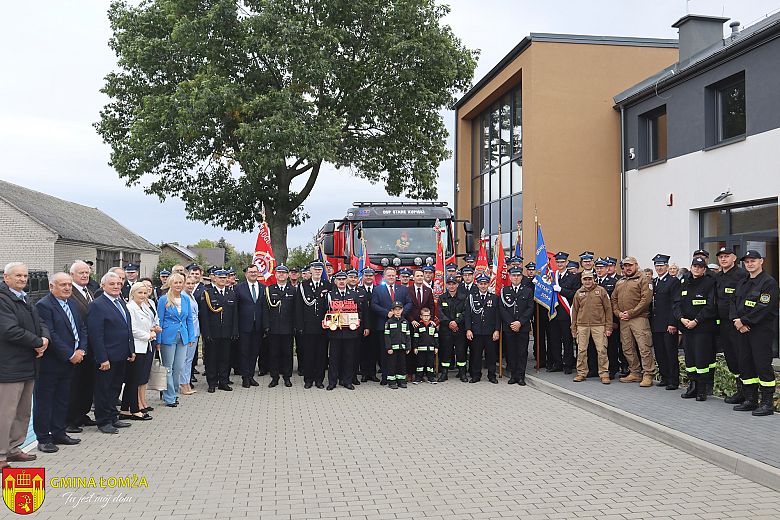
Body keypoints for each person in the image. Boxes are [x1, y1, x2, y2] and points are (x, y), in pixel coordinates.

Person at [0, 263, 50, 467]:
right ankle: (1, 454)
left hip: (28, 365)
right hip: (9, 366)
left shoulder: (24, 297)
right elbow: (9, 330)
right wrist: (38, 342)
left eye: (25, 276)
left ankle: (13, 448)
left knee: (22, 411)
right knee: (5, 412)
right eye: (18, 275)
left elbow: (40, 323)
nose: (22, 279)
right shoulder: (3, 300)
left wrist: (45, 339)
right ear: (6, 277)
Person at [34, 273, 86, 454]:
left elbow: (81, 328)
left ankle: (59, 432)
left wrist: (81, 350)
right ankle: (43, 438)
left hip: (70, 362)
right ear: (51, 286)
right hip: (52, 363)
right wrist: (70, 354)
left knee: (63, 399)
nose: (67, 288)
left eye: (69, 285)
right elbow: (51, 334)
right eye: (62, 284)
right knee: (45, 401)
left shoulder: (72, 303)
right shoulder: (44, 305)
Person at [730, 250, 778, 416]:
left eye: (753, 261)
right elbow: (733, 302)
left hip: (760, 331)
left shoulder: (768, 282)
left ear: (761, 261)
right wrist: (737, 320)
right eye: (747, 261)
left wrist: (744, 321)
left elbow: (764, 307)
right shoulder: (743, 281)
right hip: (742, 330)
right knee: (746, 364)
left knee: (762, 365)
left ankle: (767, 404)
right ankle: (750, 400)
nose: (750, 264)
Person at [89, 271, 135, 434]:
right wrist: (102, 358)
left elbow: (126, 327)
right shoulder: (97, 305)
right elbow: (96, 334)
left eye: (118, 284)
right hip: (107, 357)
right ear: (103, 286)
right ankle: (103, 421)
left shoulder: (120, 302)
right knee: (103, 389)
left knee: (115, 389)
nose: (116, 286)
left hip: (121, 354)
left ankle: (113, 417)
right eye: (112, 284)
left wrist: (131, 350)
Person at [674, 257, 717, 401]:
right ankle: (692, 386)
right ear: (691, 267)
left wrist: (696, 320)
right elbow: (677, 303)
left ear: (704, 269)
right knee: (690, 358)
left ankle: (702, 389)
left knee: (702, 359)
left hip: (702, 328)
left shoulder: (709, 283)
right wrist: (681, 318)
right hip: (687, 328)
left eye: (700, 266)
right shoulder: (684, 282)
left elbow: (711, 306)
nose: (697, 269)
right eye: (694, 266)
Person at [65, 260, 97, 433]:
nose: (85, 275)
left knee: (87, 383)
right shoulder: (70, 294)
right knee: (74, 384)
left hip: (91, 346)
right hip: (76, 346)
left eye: (87, 272)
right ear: (72, 275)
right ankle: (69, 419)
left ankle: (82, 413)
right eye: (81, 273)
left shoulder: (89, 292)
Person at [714, 246, 748, 404]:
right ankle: (739, 390)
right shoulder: (718, 276)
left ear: (734, 258)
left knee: (741, 356)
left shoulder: (741, 275)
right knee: (731, 358)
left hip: (737, 323)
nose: (723, 259)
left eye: (727, 256)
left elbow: (740, 300)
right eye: (721, 257)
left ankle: (748, 393)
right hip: (723, 324)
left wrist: (740, 320)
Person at [200, 269, 239, 393]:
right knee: (212, 358)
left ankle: (223, 381)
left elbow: (235, 315)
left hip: (227, 332)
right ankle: (212, 382)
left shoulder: (231, 294)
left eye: (224, 277)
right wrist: (206, 333)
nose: (222, 280)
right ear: (214, 279)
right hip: (213, 332)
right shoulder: (208, 293)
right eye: (220, 277)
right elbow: (204, 316)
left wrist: (234, 330)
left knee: (225, 358)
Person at [570, 270, 612, 384]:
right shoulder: (578, 293)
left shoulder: (601, 291)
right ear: (582, 280)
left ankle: (604, 373)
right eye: (585, 279)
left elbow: (608, 309)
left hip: (599, 325)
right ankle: (581, 373)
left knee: (601, 350)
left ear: (593, 279)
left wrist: (608, 327)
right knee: (581, 350)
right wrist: (573, 328)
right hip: (582, 326)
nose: (587, 282)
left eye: (590, 279)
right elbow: (574, 311)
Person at [370, 267, 411, 385]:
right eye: (389, 275)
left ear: (396, 276)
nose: (391, 277)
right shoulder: (378, 289)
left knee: (400, 355)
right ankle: (385, 377)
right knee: (385, 352)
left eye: (393, 275)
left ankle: (400, 377)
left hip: (400, 328)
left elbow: (409, 303)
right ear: (384, 277)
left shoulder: (403, 289)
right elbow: (374, 305)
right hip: (383, 325)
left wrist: (401, 312)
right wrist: (386, 313)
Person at [325, 271, 365, 390]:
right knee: (333, 358)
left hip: (350, 332)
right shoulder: (330, 295)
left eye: (343, 279)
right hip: (335, 332)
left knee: (349, 358)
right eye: (339, 279)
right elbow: (326, 311)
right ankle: (332, 382)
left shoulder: (353, 294)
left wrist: (356, 321)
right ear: (335, 281)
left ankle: (347, 381)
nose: (341, 282)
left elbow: (360, 311)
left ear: (346, 280)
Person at [122, 282, 155, 420]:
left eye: (145, 293)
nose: (143, 295)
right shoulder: (130, 308)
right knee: (133, 380)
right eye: (140, 293)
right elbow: (132, 329)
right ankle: (134, 410)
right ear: (132, 293)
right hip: (136, 347)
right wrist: (148, 335)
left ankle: (125, 409)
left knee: (134, 379)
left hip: (145, 346)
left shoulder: (144, 307)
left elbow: (150, 323)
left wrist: (152, 331)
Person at [296, 262, 330, 389]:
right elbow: (298, 307)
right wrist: (299, 326)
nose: (317, 271)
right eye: (315, 269)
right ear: (310, 270)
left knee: (321, 355)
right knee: (308, 354)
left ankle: (319, 380)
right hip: (308, 326)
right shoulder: (303, 286)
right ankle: (308, 379)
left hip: (323, 327)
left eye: (320, 269)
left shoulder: (327, 285)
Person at [499, 266, 535, 386]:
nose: (516, 278)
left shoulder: (528, 291)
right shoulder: (505, 291)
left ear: (521, 277)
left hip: (522, 327)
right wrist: (511, 323)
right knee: (511, 351)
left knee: (522, 352)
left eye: (518, 275)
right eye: (513, 275)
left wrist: (520, 322)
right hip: (509, 327)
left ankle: (521, 376)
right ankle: (513, 375)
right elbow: (502, 309)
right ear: (510, 277)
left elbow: (530, 308)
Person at [650, 254, 681, 390]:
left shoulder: (673, 281)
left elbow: (675, 304)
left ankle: (673, 380)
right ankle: (664, 377)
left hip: (668, 323)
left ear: (667, 267)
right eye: (657, 265)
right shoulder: (655, 281)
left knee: (670, 353)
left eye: (662, 265)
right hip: (656, 323)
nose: (659, 268)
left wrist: (673, 323)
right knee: (660, 352)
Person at [263, 265, 297, 388]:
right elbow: (265, 309)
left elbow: (296, 310)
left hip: (288, 328)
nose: (281, 275)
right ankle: (274, 378)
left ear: (288, 275)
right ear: (275, 275)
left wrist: (295, 326)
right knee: (274, 354)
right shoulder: (269, 290)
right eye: (279, 273)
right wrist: (266, 325)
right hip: (273, 328)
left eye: (284, 273)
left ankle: (287, 378)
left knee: (288, 354)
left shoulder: (293, 290)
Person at [465, 273, 500, 384]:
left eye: (485, 284)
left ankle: (491, 375)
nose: (483, 286)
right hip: (476, 331)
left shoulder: (494, 298)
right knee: (476, 355)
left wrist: (497, 330)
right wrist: (468, 329)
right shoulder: (472, 297)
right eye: (481, 284)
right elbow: (467, 315)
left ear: (488, 284)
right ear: (477, 284)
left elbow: (497, 316)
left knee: (491, 355)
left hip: (490, 332)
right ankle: (476, 375)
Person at [235, 265, 265, 388]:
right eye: (251, 272)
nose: (253, 274)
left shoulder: (264, 288)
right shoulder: (238, 288)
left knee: (254, 352)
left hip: (258, 326)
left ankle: (251, 375)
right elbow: (235, 309)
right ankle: (245, 378)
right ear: (246, 274)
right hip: (244, 326)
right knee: (244, 352)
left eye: (255, 272)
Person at [549, 252, 579, 374]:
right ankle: (558, 363)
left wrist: (561, 290)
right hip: (554, 313)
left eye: (562, 262)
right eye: (558, 262)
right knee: (554, 340)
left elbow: (574, 294)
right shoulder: (552, 276)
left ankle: (568, 364)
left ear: (567, 263)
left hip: (566, 313)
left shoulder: (573, 277)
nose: (560, 264)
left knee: (567, 340)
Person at [437, 276, 467, 382]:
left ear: (457, 285)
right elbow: (440, 313)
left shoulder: (463, 297)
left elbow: (465, 312)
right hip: (446, 330)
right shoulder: (442, 298)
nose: (451, 286)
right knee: (446, 351)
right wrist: (449, 322)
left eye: (453, 284)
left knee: (461, 351)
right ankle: (444, 373)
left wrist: (456, 322)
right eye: (449, 284)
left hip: (459, 329)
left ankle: (462, 373)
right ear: (446, 285)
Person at [358, 269, 379, 383]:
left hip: (375, 325)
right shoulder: (359, 290)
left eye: (371, 275)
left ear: (374, 277)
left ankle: (372, 373)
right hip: (363, 325)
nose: (369, 277)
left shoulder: (378, 289)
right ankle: (364, 373)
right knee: (363, 350)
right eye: (366, 275)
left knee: (373, 350)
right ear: (363, 277)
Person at [384, 301, 411, 389]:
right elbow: (387, 336)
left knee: (402, 364)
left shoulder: (405, 322)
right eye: (396, 310)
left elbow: (407, 335)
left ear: (402, 310)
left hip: (402, 348)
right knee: (392, 365)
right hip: (392, 349)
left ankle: (401, 381)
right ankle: (392, 382)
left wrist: (408, 346)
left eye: (399, 309)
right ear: (392, 311)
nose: (398, 311)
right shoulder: (389, 322)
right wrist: (388, 347)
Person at [180, 276, 200, 394]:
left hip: (195, 331)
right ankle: (183, 384)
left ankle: (186, 382)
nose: (191, 286)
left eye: (193, 283)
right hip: (187, 332)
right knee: (184, 360)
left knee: (189, 360)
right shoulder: (183, 296)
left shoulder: (191, 296)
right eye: (188, 283)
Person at [412, 308, 438, 384]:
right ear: (421, 316)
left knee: (430, 365)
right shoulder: (418, 326)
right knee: (420, 365)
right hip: (421, 350)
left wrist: (436, 347)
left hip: (430, 349)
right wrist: (415, 347)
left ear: (430, 316)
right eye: (424, 315)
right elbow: (416, 338)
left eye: (428, 315)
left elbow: (436, 337)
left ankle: (431, 378)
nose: (426, 317)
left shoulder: (433, 326)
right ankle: (418, 378)